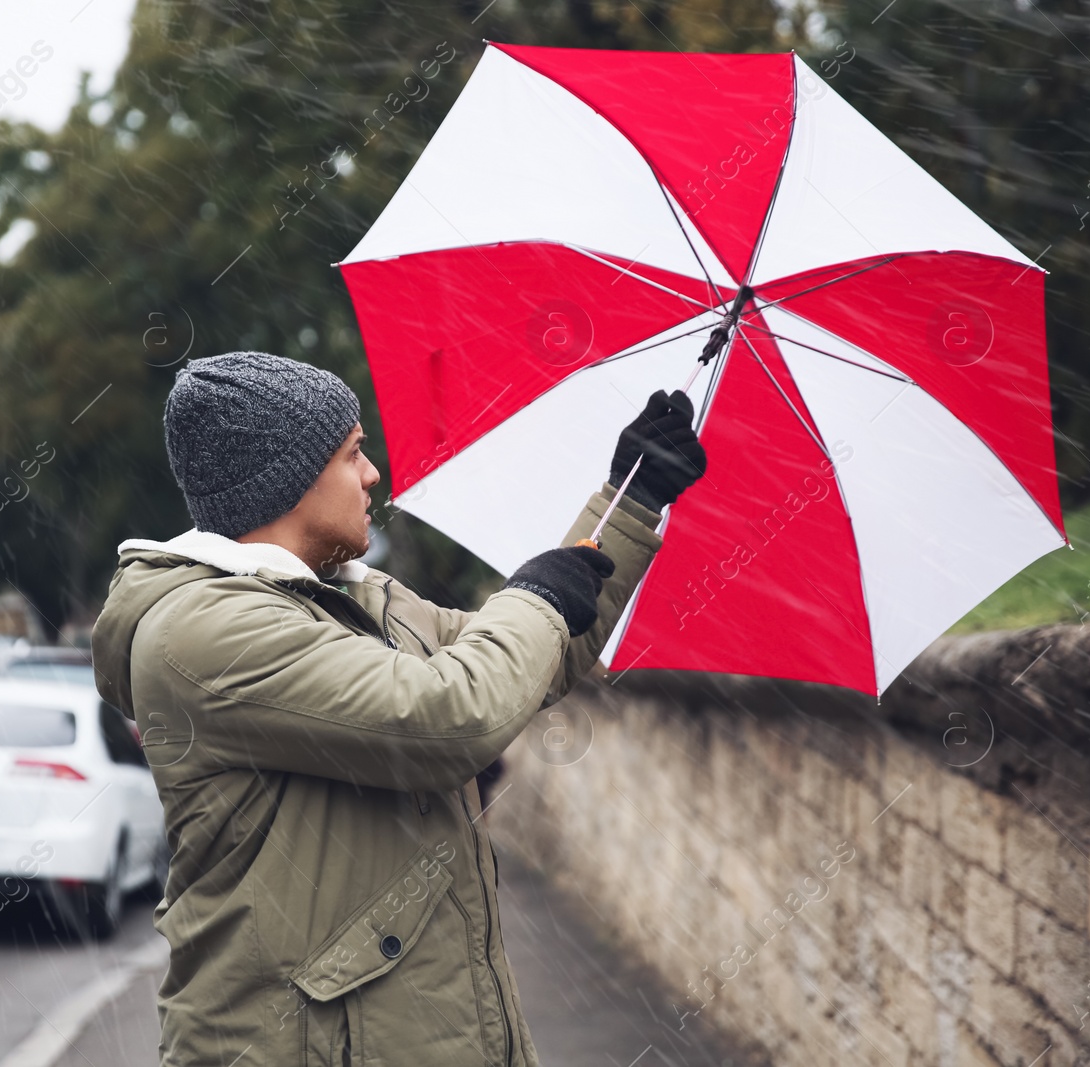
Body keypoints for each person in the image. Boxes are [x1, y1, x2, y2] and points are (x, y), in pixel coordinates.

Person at [91, 351, 706, 1067]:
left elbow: (527, 667)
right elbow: (452, 718)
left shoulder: (358, 596)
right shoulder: (205, 632)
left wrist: (629, 502)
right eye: (353, 453)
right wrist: (533, 595)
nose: (372, 473)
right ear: (287, 480)